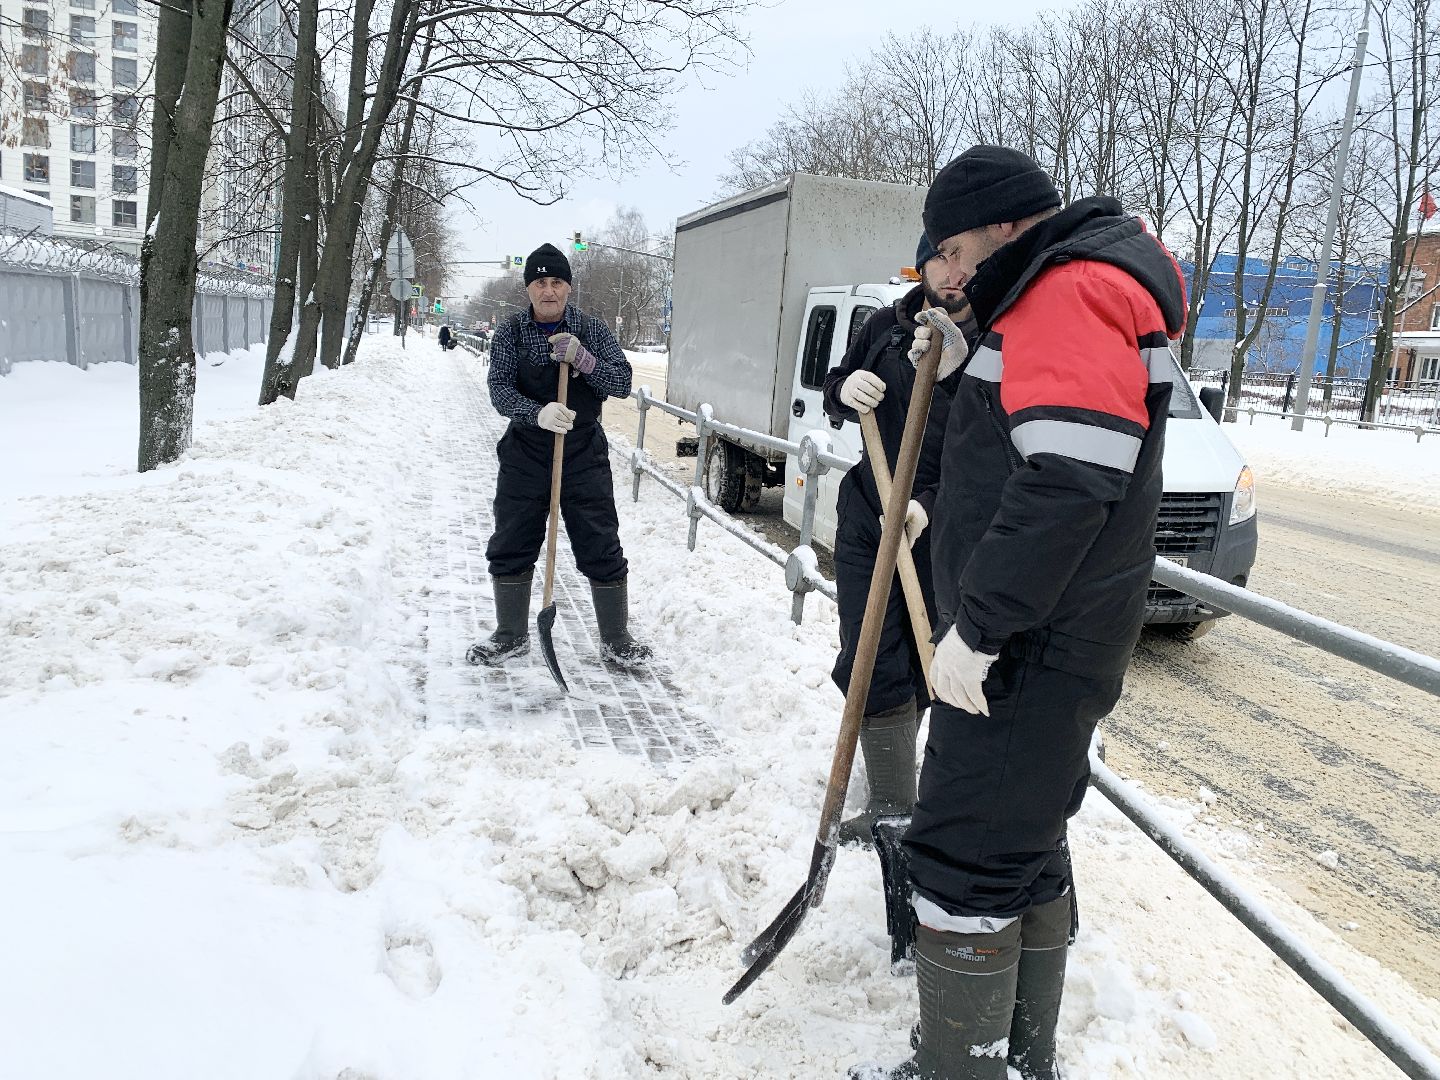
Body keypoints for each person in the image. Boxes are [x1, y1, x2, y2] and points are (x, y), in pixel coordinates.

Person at [859, 147, 1186, 1080]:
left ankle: (960, 1068)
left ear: (1007, 226)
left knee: (962, 854)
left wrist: (980, 627)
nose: (949, 273)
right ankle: (1019, 1060)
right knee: (1024, 848)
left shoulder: (1067, 292)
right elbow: (1037, 439)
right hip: (1059, 631)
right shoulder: (1057, 290)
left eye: (956, 250)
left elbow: (1070, 483)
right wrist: (971, 372)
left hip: (1031, 644)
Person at [820, 235, 975, 846]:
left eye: (968, 263)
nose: (955, 273)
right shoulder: (886, 325)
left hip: (945, 522)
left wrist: (928, 506)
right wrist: (844, 388)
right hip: (868, 508)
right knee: (867, 649)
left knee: (926, 660)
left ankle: (912, 787)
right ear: (924, 263)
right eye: (943, 258)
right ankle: (889, 800)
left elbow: (999, 443)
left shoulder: (992, 343)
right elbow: (835, 384)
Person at [466, 243, 651, 669]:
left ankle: (616, 639)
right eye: (540, 282)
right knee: (512, 539)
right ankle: (510, 635)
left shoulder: (591, 328)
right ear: (528, 288)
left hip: (583, 452)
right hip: (526, 452)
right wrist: (537, 412)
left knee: (600, 539)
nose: (549, 291)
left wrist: (584, 361)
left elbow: (621, 381)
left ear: (568, 287)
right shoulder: (511, 332)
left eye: (557, 282)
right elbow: (499, 390)